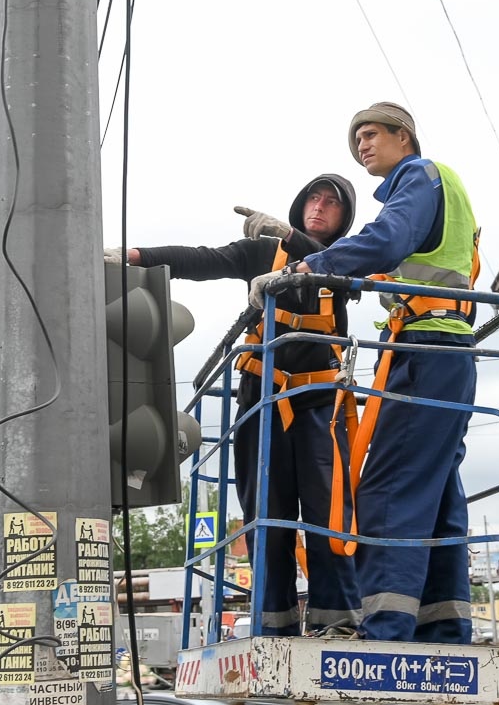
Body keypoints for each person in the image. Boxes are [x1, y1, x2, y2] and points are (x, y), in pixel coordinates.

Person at [252, 102, 479, 643]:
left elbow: (386, 240)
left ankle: (385, 626)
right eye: (357, 140)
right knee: (437, 494)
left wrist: (304, 267)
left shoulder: (418, 176)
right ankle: (443, 627)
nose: (363, 147)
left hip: (426, 350)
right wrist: (301, 244)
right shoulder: (442, 190)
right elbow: (383, 260)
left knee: (388, 487)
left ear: (405, 137)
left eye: (372, 135)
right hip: (450, 352)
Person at [107, 174, 361, 637]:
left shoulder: (347, 258)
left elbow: (336, 277)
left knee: (328, 511)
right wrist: (133, 257)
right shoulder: (263, 253)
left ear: (345, 218)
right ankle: (273, 622)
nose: (320, 208)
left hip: (317, 399)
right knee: (266, 511)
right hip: (261, 396)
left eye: (332, 204)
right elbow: (203, 260)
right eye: (313, 199)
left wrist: (289, 237)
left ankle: (337, 618)